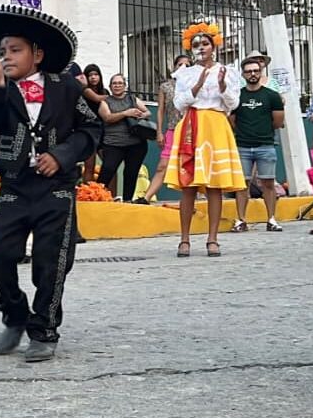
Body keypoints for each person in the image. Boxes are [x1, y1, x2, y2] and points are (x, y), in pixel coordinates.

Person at [0, 3, 101, 363]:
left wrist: (62, 155)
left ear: (38, 55)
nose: (7, 57)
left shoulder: (67, 87)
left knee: (52, 260)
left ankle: (44, 329)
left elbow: (92, 129)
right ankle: (14, 313)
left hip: (56, 187)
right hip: (15, 185)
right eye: (2, 51)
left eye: (15, 50)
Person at [164, 22, 244, 258]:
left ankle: (213, 239)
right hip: (192, 125)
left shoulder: (227, 72)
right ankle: (184, 239)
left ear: (214, 46)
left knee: (214, 186)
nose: (201, 48)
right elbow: (178, 104)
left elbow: (233, 104)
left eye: (205, 43)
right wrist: (196, 86)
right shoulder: (185, 73)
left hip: (216, 126)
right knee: (188, 185)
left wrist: (222, 86)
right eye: (196, 44)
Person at [230, 55, 285, 232]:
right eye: (248, 71)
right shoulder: (236, 96)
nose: (252, 74)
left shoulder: (272, 96)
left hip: (265, 145)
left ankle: (271, 219)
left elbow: (278, 121)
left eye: (256, 71)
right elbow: (232, 120)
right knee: (242, 184)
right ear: (243, 74)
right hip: (242, 146)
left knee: (268, 183)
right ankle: (241, 220)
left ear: (261, 72)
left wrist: (262, 131)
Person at [139, 55, 191, 203]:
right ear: (174, 67)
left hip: (190, 131)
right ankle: (146, 197)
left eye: (187, 65)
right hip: (173, 129)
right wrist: (159, 132)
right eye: (180, 64)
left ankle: (197, 198)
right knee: (163, 165)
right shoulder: (166, 87)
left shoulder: (194, 85)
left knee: (190, 165)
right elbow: (160, 110)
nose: (183, 68)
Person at [96, 74, 150, 202]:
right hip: (113, 144)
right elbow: (107, 118)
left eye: (120, 83)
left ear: (125, 86)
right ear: (110, 86)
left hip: (136, 144)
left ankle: (127, 201)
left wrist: (141, 115)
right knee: (107, 170)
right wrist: (125, 113)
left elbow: (147, 112)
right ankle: (95, 197)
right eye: (114, 83)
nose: (117, 86)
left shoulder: (132, 99)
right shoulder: (105, 102)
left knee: (131, 173)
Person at [79, 64, 108, 182]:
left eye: (96, 74)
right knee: (89, 167)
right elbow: (96, 98)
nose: (93, 77)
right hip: (89, 132)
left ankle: (111, 192)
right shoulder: (84, 90)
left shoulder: (104, 91)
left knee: (109, 166)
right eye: (90, 75)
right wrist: (116, 97)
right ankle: (87, 192)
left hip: (103, 132)